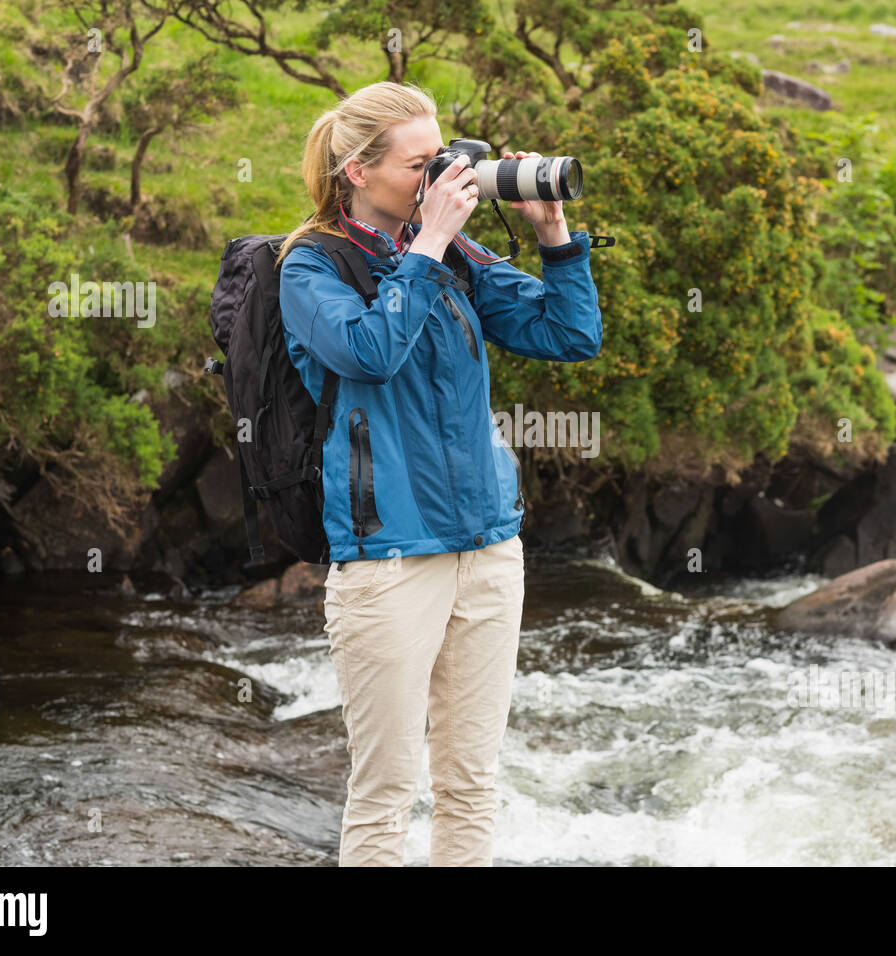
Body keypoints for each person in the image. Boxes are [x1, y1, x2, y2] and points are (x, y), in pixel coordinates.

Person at [276, 80, 604, 866]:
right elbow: (369, 352)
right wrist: (424, 245)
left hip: (489, 547)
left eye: (445, 159)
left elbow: (570, 333)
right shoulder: (310, 268)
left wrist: (552, 230)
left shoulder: (459, 254)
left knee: (471, 781)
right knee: (387, 791)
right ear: (358, 171)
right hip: (388, 555)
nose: (441, 178)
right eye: (421, 163)